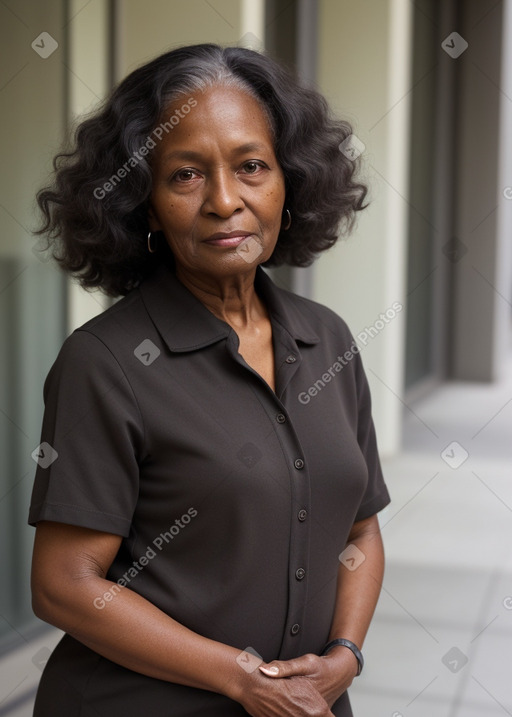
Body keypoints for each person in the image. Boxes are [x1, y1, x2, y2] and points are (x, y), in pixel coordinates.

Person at [29, 43, 390, 717]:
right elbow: (62, 585)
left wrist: (345, 658)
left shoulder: (329, 338)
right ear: (145, 206)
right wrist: (242, 678)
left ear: (291, 179)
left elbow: (360, 533)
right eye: (186, 175)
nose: (226, 201)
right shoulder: (106, 361)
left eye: (251, 166)